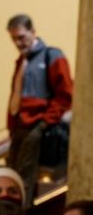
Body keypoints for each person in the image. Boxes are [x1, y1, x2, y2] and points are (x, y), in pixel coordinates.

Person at [6, 14, 73, 193]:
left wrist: (45, 123)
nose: (18, 43)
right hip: (19, 125)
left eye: (21, 37)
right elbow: (15, 96)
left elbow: (66, 95)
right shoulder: (22, 61)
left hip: (37, 124)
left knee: (25, 177)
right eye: (14, 39)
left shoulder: (52, 56)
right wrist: (12, 126)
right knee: (12, 176)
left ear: (33, 32)